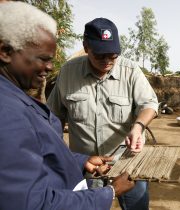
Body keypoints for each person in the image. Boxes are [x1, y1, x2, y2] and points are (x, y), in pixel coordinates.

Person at [0, 2, 135, 210]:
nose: (49, 68)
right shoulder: (7, 113)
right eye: (43, 59)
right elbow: (33, 204)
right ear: (6, 52)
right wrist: (109, 193)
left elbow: (38, 150)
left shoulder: (15, 96)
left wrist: (79, 161)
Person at [47, 17, 158, 210]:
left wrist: (138, 127)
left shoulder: (130, 71)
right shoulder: (68, 72)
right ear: (86, 46)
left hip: (127, 165)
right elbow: (54, 116)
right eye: (100, 55)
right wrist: (59, 156)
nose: (107, 61)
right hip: (87, 169)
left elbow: (149, 104)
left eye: (113, 55)